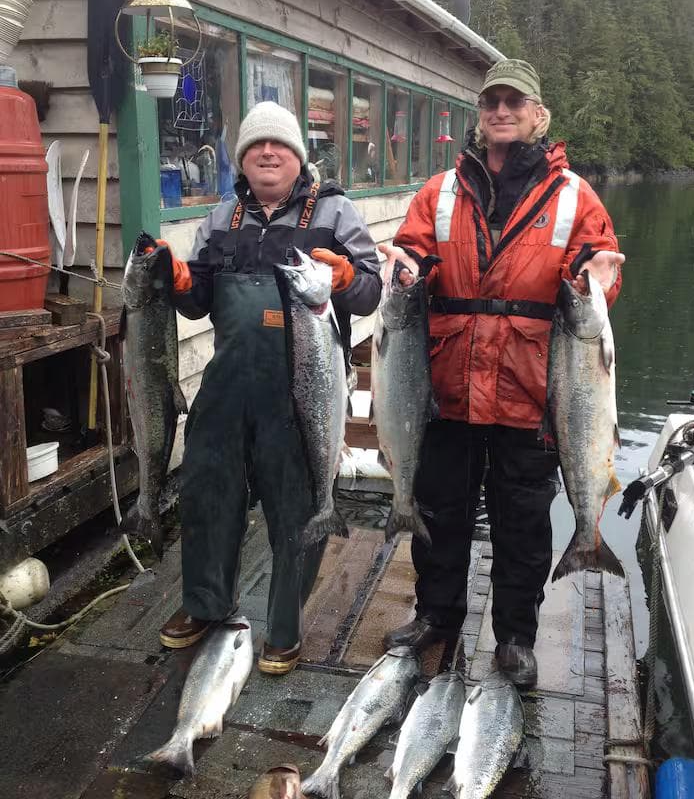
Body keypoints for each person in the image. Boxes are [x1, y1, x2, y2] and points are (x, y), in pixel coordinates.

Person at [379, 59, 625, 688]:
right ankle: (436, 615)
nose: (501, 111)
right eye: (492, 102)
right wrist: (405, 267)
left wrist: (598, 277)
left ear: (539, 115)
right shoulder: (440, 191)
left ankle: (515, 637)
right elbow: (414, 249)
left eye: (515, 102)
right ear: (480, 114)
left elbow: (598, 272)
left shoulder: (574, 195)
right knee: (441, 512)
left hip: (534, 392)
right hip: (447, 388)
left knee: (522, 524)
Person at [157, 100, 381, 674]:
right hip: (228, 386)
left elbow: (370, 293)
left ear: (298, 155)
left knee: (296, 507)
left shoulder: (335, 212)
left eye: (278, 144)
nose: (267, 153)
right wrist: (179, 281)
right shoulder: (221, 218)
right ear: (242, 159)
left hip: (302, 392)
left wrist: (347, 278)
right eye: (256, 145)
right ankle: (204, 604)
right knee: (208, 496)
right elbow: (198, 301)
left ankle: (283, 628)